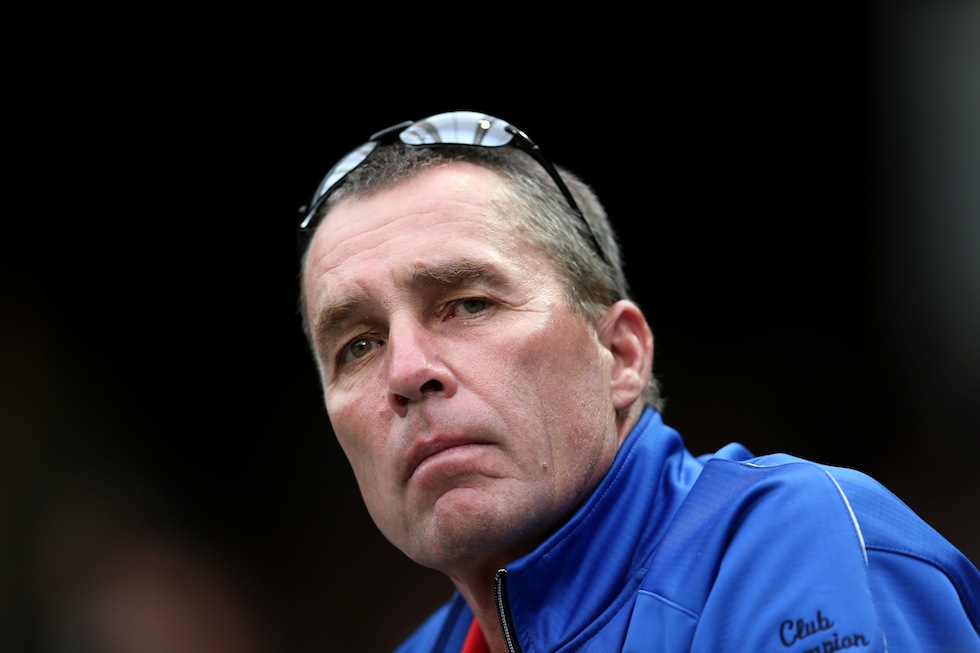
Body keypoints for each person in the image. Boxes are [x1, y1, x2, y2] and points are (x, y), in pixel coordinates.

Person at [295, 110, 980, 653]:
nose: (405, 371)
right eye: (358, 346)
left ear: (619, 354)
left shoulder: (791, 547)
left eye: (469, 304)